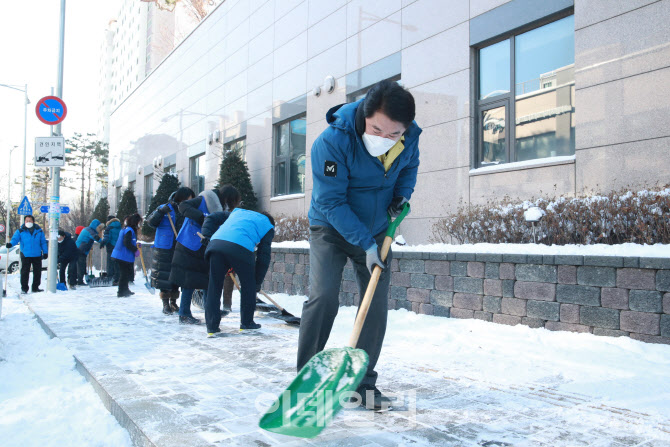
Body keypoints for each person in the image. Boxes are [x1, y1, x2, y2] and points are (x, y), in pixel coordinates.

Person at [297, 80, 420, 410]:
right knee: (323, 297)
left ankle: (362, 383)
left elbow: (409, 167)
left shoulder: (409, 137)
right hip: (331, 228)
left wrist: (401, 196)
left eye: (393, 134)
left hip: (379, 230)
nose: (384, 138)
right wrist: (365, 244)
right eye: (377, 129)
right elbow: (333, 202)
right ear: (365, 114)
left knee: (374, 307)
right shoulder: (332, 143)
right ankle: (307, 381)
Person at [169, 185, 241, 324]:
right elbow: (183, 206)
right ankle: (184, 313)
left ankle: (212, 310)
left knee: (208, 280)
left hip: (205, 246)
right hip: (189, 244)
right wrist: (203, 218)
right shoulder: (204, 199)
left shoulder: (221, 209)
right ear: (226, 198)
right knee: (189, 280)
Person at [202, 209, 275, 335]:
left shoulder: (237, 212)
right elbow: (264, 256)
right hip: (241, 248)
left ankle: (211, 327)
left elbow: (212, 217)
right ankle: (246, 323)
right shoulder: (268, 225)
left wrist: (207, 235)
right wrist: (256, 283)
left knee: (214, 285)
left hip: (215, 245)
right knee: (248, 286)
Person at [147, 187, 195, 314]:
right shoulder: (165, 207)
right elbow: (151, 222)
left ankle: (174, 302)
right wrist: (160, 212)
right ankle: (165, 303)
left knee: (176, 276)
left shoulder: (187, 209)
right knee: (164, 276)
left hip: (180, 246)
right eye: (189, 198)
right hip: (164, 247)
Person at [7, 215, 48, 294]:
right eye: (27, 221)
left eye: (30, 220)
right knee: (25, 272)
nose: (28, 222)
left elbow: (43, 242)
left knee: (37, 272)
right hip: (25, 254)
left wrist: (45, 252)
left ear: (33, 221)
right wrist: (10, 244)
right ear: (24, 222)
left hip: (37, 254)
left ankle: (35, 287)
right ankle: (24, 288)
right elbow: (15, 239)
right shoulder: (21, 231)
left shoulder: (39, 231)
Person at [111, 213, 142, 298]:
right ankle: (121, 292)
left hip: (121, 254)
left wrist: (135, 245)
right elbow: (126, 242)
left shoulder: (126, 229)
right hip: (122, 255)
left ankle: (125, 290)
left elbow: (129, 241)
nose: (139, 224)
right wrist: (135, 250)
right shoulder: (129, 230)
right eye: (139, 222)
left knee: (126, 273)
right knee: (124, 274)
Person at [75, 219, 104, 285]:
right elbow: (96, 238)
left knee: (81, 265)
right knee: (81, 266)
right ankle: (79, 281)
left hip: (82, 250)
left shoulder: (89, 230)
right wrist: (102, 241)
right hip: (80, 250)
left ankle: (79, 280)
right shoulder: (89, 230)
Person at [100, 215, 122, 286]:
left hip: (111, 247)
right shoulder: (120, 227)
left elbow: (107, 238)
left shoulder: (109, 228)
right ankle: (117, 278)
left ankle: (110, 278)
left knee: (110, 262)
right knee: (117, 263)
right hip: (119, 247)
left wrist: (103, 243)